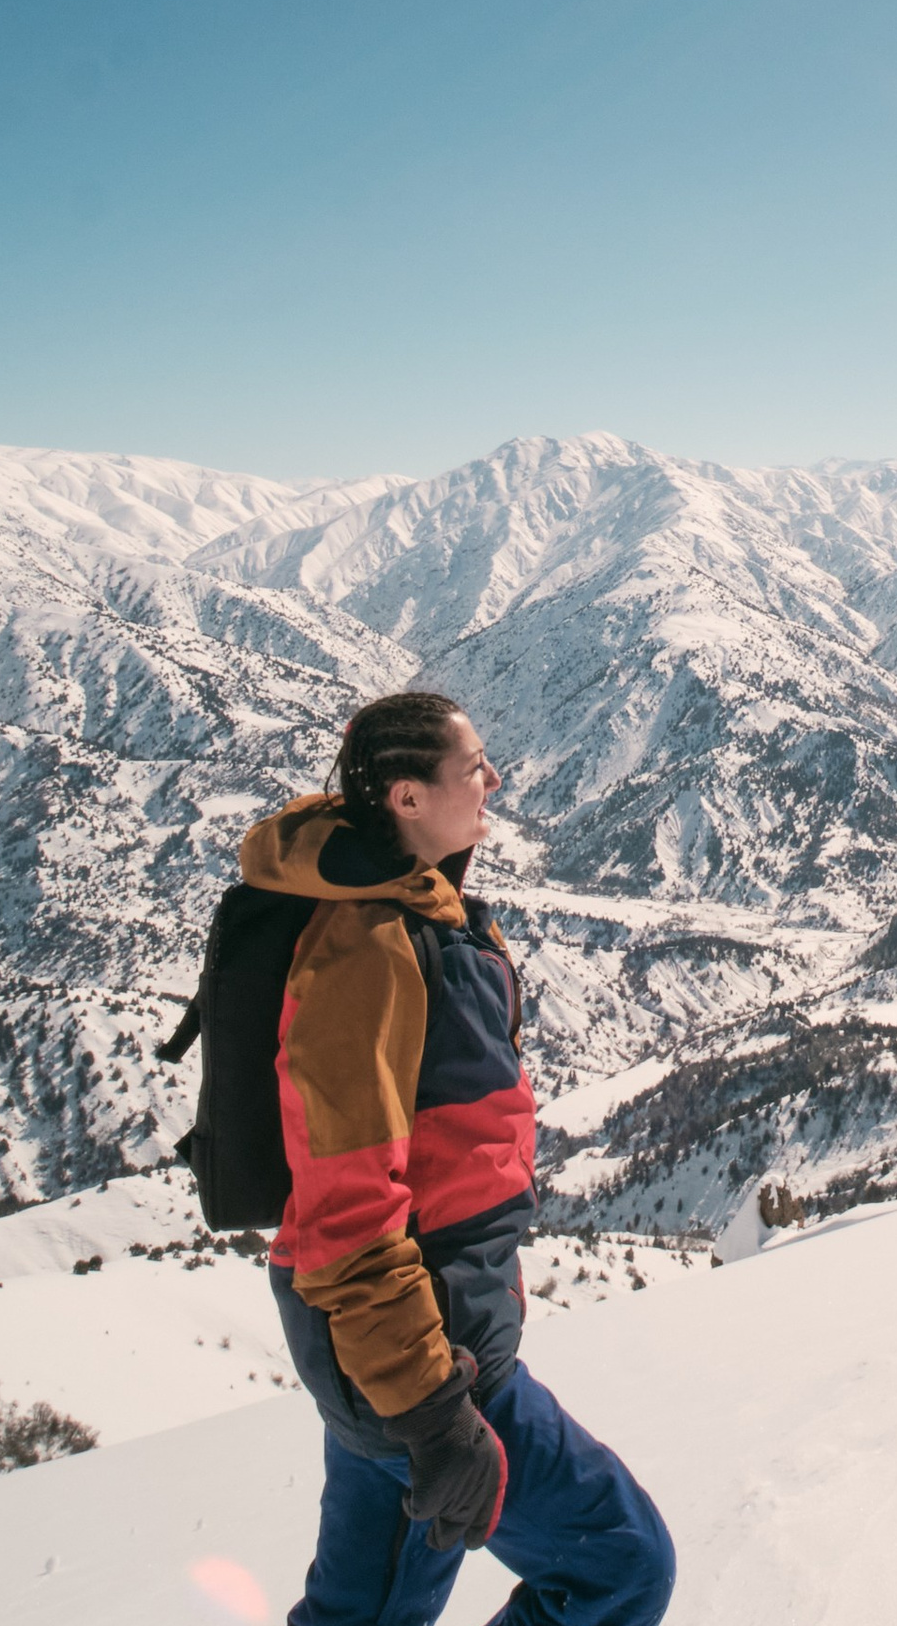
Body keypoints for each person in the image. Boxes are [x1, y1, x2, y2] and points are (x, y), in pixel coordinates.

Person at [242, 689, 675, 1626]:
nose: (496, 778)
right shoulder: (370, 951)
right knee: (622, 1567)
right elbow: (346, 1205)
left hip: (387, 1354)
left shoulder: (406, 911)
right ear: (404, 797)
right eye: (472, 766)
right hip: (422, 1353)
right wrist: (436, 1413)